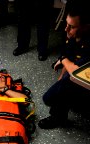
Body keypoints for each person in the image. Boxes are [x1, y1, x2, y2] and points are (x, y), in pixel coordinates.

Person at [38, 1, 90, 129]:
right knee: (61, 89)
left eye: (71, 26)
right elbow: (69, 57)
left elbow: (76, 71)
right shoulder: (70, 34)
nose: (66, 29)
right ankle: (58, 118)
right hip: (77, 72)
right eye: (66, 24)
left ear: (85, 27)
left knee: (52, 97)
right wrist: (61, 78)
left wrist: (62, 60)